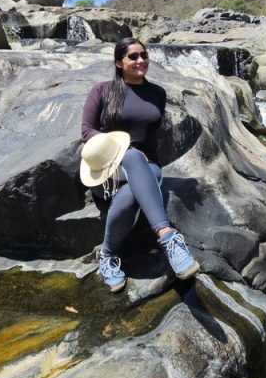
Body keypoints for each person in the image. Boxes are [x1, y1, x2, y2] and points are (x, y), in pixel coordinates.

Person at [80, 37, 200, 292]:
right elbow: (87, 131)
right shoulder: (102, 90)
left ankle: (108, 256)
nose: (140, 60)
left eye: (143, 55)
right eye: (132, 56)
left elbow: (152, 134)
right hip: (107, 167)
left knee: (132, 191)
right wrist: (121, 148)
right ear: (118, 62)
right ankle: (167, 236)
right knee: (133, 157)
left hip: (147, 165)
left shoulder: (157, 93)